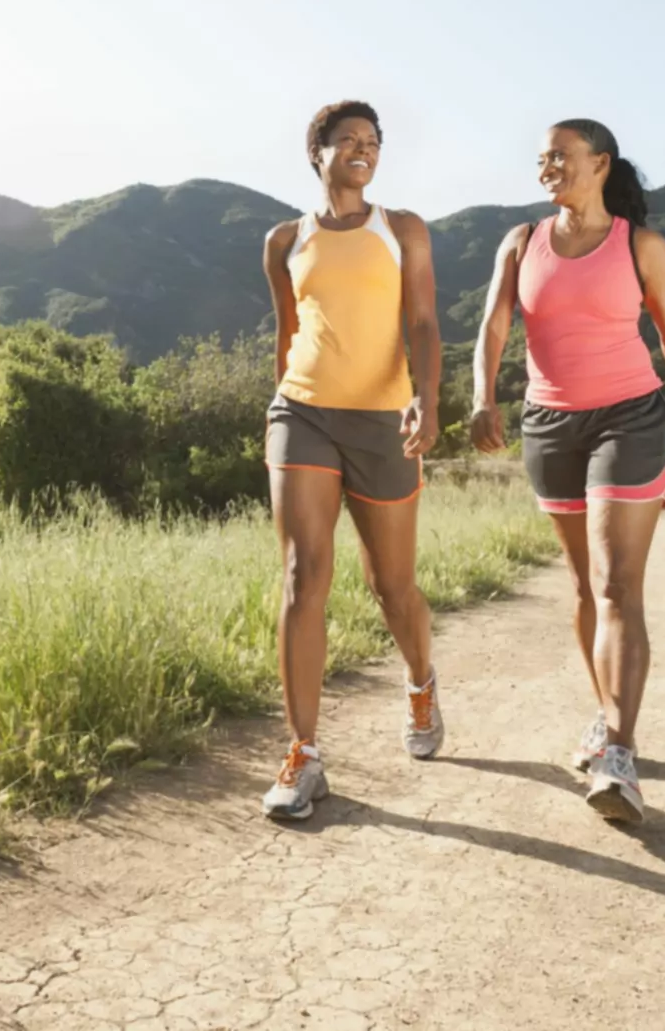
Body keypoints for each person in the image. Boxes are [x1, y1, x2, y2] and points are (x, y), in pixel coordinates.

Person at [470, 119, 665, 824]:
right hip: (549, 424)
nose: (546, 167)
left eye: (559, 155)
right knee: (585, 586)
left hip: (630, 417)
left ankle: (617, 750)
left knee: (618, 583)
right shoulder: (521, 242)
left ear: (599, 162)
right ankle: (606, 713)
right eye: (540, 159)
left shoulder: (639, 246)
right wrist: (480, 397)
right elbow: (494, 325)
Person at [259, 99, 445, 820]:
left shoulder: (402, 230)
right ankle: (303, 753)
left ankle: (421, 679)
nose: (362, 150)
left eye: (372, 141)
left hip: (383, 418)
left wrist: (426, 400)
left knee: (392, 586)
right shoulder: (284, 239)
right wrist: (276, 406)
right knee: (305, 573)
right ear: (318, 153)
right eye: (348, 141)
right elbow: (286, 333)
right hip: (301, 411)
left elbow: (424, 322)